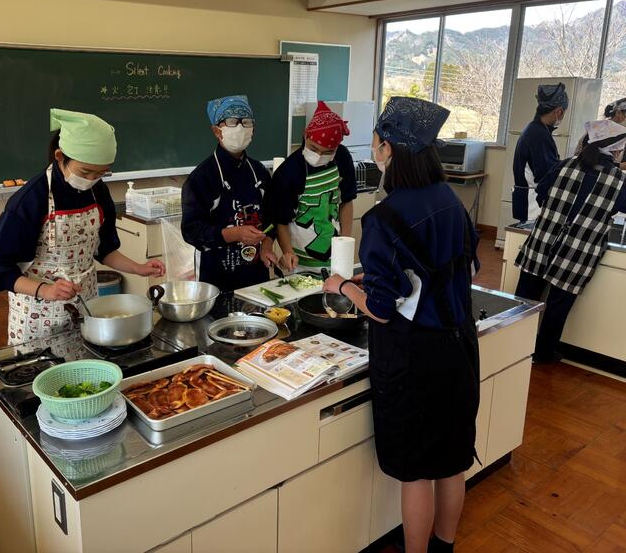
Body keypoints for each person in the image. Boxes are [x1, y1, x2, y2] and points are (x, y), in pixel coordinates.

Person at [322, 97, 480, 553]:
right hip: (459, 348)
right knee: (451, 461)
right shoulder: (451, 200)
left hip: (415, 359)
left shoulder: (384, 217)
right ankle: (444, 546)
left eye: (375, 141)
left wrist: (341, 285)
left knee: (417, 470)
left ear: (387, 148)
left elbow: (381, 309)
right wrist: (377, 280)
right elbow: (456, 268)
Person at [0, 108, 165, 344]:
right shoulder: (30, 200)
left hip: (87, 307)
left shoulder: (97, 191)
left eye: (101, 173)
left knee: (87, 362)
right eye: (85, 171)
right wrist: (45, 290)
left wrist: (139, 268)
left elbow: (104, 250)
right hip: (38, 316)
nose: (91, 180)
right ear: (59, 156)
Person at [515, 119, 626, 363]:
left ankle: (514, 348)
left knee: (524, 299)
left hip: (543, 241)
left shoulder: (564, 165)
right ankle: (543, 354)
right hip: (577, 251)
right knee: (558, 306)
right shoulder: (618, 180)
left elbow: (542, 192)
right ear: (617, 150)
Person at [181, 95, 276, 292]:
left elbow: (271, 217)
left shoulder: (259, 171)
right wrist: (235, 233)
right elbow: (191, 231)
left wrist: (267, 247)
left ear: (253, 129)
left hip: (256, 273)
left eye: (246, 122)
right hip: (216, 276)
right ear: (216, 131)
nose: (240, 128)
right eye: (232, 122)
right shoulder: (202, 177)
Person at [267, 101, 357, 271]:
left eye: (328, 152)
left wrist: (344, 243)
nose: (319, 156)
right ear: (305, 134)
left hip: (336, 254)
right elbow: (281, 220)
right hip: (300, 261)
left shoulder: (343, 157)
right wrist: (287, 252)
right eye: (313, 148)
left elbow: (347, 201)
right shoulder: (290, 170)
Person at [512, 83, 569, 222]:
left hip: (527, 201)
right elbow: (547, 174)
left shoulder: (534, 129)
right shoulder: (539, 135)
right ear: (559, 111)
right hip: (533, 204)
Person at [574, 98, 626, 171]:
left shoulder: (595, 129)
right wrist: (618, 166)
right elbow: (582, 158)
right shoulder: (596, 133)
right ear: (618, 113)